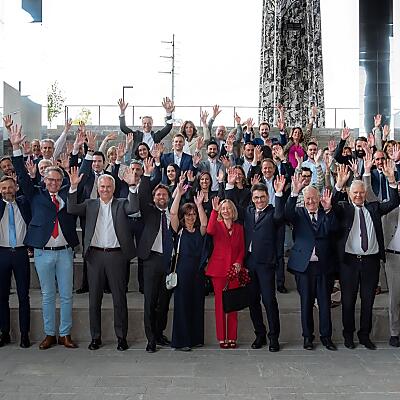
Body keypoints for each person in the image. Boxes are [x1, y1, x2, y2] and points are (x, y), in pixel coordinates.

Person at [10, 125, 79, 350]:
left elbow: (81, 177)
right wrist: (16, 147)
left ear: (62, 181)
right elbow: (21, 175)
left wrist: (80, 152)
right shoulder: (35, 194)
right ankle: (50, 334)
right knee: (48, 295)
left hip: (65, 253)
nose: (53, 183)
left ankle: (65, 334)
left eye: (57, 180)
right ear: (44, 179)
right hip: (42, 253)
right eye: (50, 180)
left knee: (66, 295)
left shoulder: (67, 194)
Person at [67, 168, 138, 351]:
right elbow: (72, 208)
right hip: (95, 257)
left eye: (108, 187)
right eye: (102, 186)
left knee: (119, 299)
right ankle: (95, 337)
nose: (105, 189)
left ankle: (121, 337)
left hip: (117, 256)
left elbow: (134, 208)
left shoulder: (122, 203)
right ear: (97, 188)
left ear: (113, 188)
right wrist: (73, 187)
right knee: (94, 300)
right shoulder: (90, 204)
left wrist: (132, 186)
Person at [332, 164, 399, 349]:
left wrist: (391, 180)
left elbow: (393, 202)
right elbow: (331, 206)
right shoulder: (344, 209)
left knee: (368, 301)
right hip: (349, 263)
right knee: (348, 301)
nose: (359, 196)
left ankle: (364, 335)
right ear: (349, 194)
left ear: (366, 193)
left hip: (371, 262)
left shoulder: (374, 208)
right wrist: (339, 185)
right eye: (355, 193)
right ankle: (348, 335)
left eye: (361, 192)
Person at [226, 176, 286, 351]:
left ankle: (274, 337)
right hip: (249, 263)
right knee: (253, 301)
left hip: (266, 264)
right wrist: (229, 185)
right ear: (252, 198)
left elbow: (280, 216)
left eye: (262, 197)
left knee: (269, 301)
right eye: (256, 197)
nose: (259, 200)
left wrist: (279, 193)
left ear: (267, 197)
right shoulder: (248, 211)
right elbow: (232, 204)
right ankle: (260, 334)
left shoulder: (273, 212)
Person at [285, 177, 338, 351]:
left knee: (324, 303)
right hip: (304, 267)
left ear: (319, 198)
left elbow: (333, 229)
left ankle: (326, 337)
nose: (311, 201)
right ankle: (307, 337)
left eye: (314, 198)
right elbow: (285, 214)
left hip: (323, 266)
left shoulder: (326, 212)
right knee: (306, 303)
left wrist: (328, 209)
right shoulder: (298, 213)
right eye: (307, 198)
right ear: (303, 199)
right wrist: (294, 192)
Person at [136, 158, 174, 353]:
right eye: (158, 194)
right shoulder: (149, 211)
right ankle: (150, 339)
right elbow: (142, 195)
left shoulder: (173, 214)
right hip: (151, 260)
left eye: (164, 194)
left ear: (169, 197)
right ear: (154, 197)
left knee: (164, 302)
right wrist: (147, 175)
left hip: (168, 262)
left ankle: (159, 334)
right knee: (150, 302)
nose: (161, 197)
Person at [169, 182, 208, 351]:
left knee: (197, 304)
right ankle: (181, 342)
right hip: (182, 272)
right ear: (183, 216)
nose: (191, 217)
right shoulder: (179, 230)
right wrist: (178, 194)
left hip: (198, 272)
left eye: (193, 215)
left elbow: (205, 224)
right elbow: (172, 213)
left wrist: (199, 205)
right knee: (182, 306)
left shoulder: (199, 231)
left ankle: (195, 338)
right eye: (188, 214)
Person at [206, 197, 245, 348]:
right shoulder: (217, 225)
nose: (226, 210)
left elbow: (241, 248)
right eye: (223, 208)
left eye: (228, 208)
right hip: (218, 270)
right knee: (220, 304)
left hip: (234, 270)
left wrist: (238, 262)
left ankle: (232, 337)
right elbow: (209, 230)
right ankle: (222, 337)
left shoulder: (239, 228)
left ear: (233, 210)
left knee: (233, 305)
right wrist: (214, 211)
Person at [0, 176, 31, 348]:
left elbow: (30, 188)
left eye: (10, 187)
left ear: (16, 188)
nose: (7, 191)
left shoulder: (24, 203)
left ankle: (24, 334)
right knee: (2, 296)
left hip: (20, 253)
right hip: (2, 253)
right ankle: (4, 332)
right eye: (4, 188)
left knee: (23, 296)